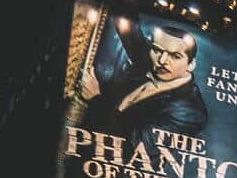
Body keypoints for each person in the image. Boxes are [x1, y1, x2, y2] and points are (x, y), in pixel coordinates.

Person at [74, 17, 207, 141]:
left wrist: (95, 100)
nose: (162, 60)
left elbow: (131, 146)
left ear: (191, 64)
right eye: (157, 50)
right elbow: (129, 29)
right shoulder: (151, 62)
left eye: (175, 56)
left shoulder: (190, 113)